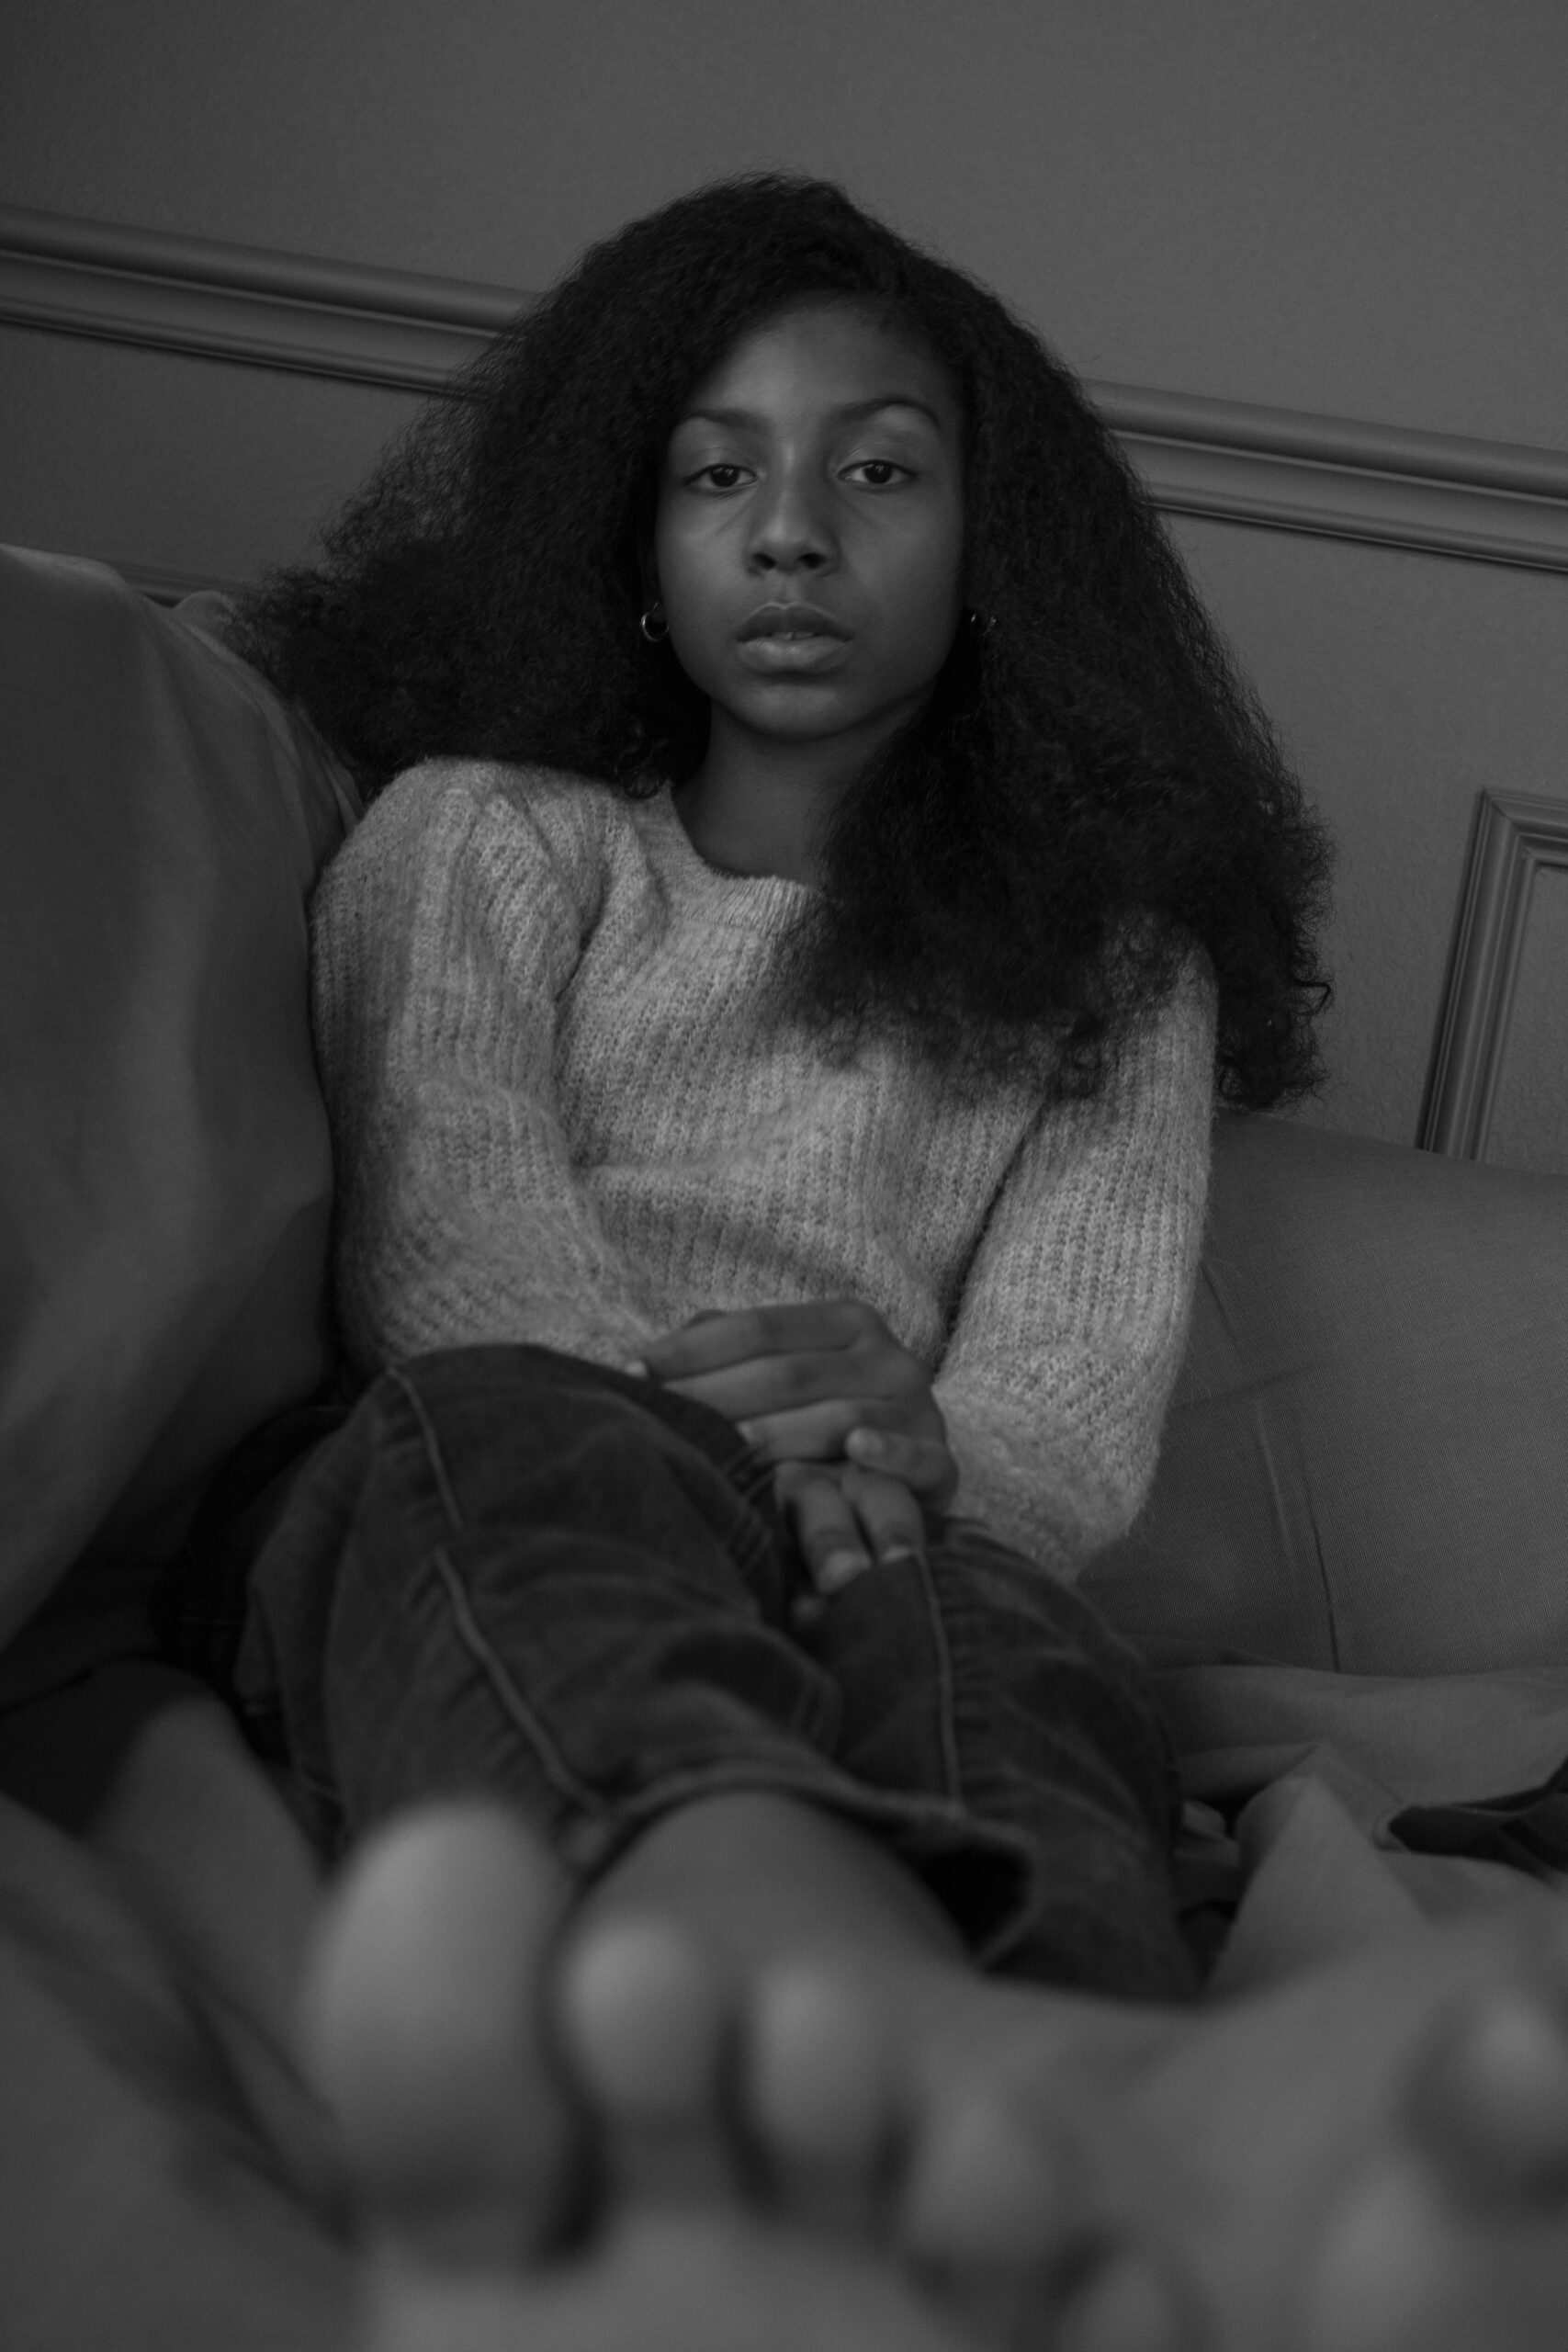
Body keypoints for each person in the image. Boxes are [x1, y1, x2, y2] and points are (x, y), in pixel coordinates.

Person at [221, 175, 1568, 2349]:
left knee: (996, 1630)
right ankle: (818, 2018)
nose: (789, 529)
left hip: (891, 1518)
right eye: (715, 471)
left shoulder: (1111, 970)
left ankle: (1054, 2132)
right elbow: (456, 1254)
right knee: (523, 1434)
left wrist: (921, 1466)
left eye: (876, 470)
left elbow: (1060, 1397)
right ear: (625, 536)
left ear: (989, 548)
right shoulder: (486, 831)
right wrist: (751, 1451)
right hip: (493, 1473)